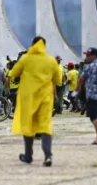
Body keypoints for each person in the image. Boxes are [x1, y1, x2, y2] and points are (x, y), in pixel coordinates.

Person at [10, 37, 63, 166]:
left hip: (28, 98)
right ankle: (48, 156)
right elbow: (58, 80)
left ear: (33, 45)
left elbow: (14, 73)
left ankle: (28, 156)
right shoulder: (51, 61)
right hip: (45, 98)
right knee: (45, 126)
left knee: (27, 125)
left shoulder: (26, 58)